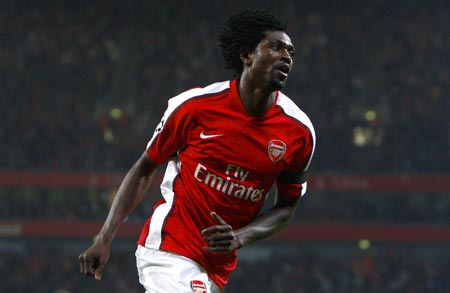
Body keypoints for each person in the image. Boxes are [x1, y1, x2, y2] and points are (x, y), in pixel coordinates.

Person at [79, 8, 316, 293]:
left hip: (217, 268)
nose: (286, 56)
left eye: (290, 52)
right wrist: (104, 238)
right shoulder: (195, 107)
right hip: (168, 249)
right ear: (247, 55)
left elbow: (286, 207)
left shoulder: (299, 132)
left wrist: (240, 237)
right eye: (276, 47)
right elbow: (144, 168)